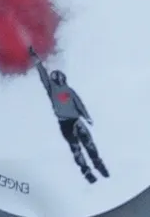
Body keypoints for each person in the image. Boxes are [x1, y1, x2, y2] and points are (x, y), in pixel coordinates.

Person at [31, 51, 109, 183]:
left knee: (88, 143)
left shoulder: (69, 90)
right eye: (57, 77)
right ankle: (86, 172)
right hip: (65, 124)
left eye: (60, 77)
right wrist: (37, 60)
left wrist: (87, 117)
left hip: (77, 121)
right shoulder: (52, 89)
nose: (59, 79)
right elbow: (43, 75)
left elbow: (79, 104)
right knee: (76, 148)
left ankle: (98, 163)